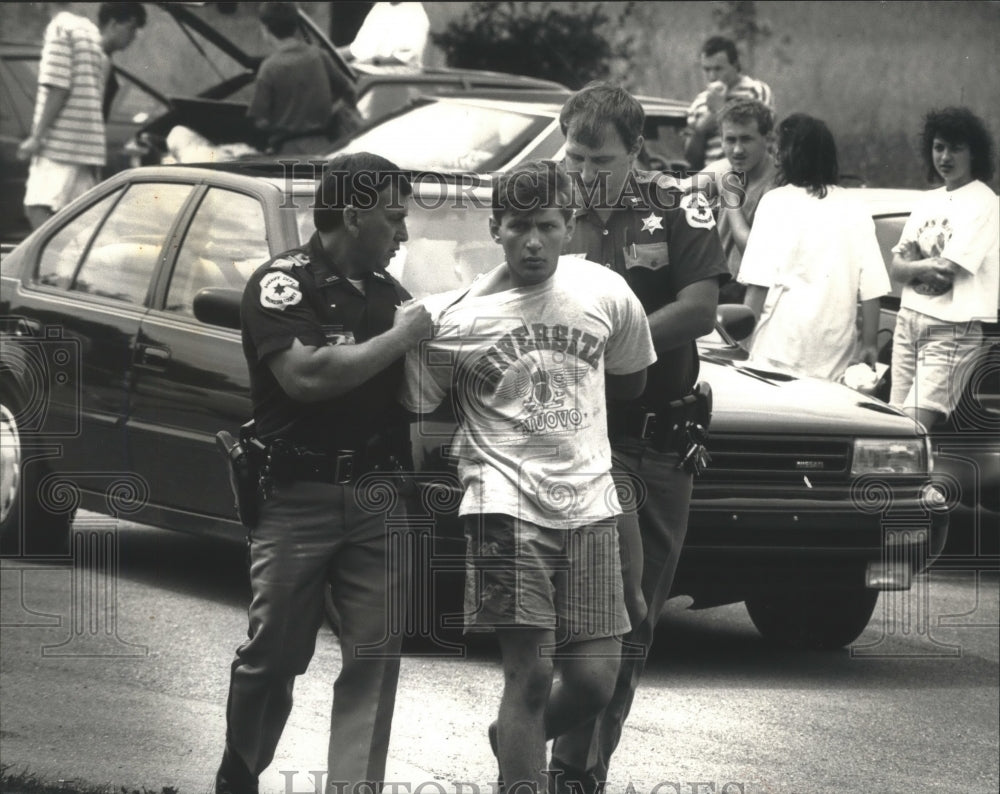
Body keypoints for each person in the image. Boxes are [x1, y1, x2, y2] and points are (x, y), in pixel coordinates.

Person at [400, 160, 656, 793]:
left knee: (596, 679)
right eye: (519, 227)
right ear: (496, 228)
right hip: (502, 506)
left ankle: (514, 737)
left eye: (547, 225)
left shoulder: (604, 292)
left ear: (569, 227)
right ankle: (521, 771)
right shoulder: (453, 319)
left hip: (592, 508)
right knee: (531, 676)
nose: (533, 242)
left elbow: (632, 377)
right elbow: (421, 413)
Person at [215, 152, 433, 794]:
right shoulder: (284, 284)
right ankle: (239, 775)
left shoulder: (394, 298)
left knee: (375, 654)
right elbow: (305, 377)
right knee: (274, 653)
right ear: (356, 212)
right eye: (394, 217)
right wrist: (400, 340)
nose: (403, 233)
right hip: (297, 496)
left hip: (379, 495)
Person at [550, 83, 729, 792]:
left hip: (648, 441)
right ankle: (552, 761)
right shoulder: (550, 207)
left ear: (636, 153)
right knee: (559, 609)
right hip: (566, 436)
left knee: (628, 619)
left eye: (599, 159)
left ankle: (577, 771)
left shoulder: (676, 203)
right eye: (573, 155)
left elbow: (701, 307)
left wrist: (616, 347)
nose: (584, 172)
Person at [738, 113, 891, 382]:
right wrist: (869, 344)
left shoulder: (776, 202)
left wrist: (739, 345)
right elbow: (872, 289)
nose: (775, 155)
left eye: (779, 148)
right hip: (834, 352)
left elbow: (757, 285)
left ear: (793, 154)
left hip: (777, 347)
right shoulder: (856, 207)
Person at [889, 107, 999, 431]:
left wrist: (913, 264)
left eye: (956, 148)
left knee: (911, 426)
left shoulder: (985, 202)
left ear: (973, 153)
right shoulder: (928, 201)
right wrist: (916, 266)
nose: (945, 157)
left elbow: (945, 271)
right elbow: (896, 268)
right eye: (939, 147)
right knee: (891, 423)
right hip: (907, 319)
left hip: (951, 328)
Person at [18, 2, 146, 229]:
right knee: (77, 221)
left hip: (60, 146)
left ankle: (52, 264)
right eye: (132, 28)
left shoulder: (61, 30)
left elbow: (58, 87)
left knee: (37, 209)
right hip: (86, 149)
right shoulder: (90, 39)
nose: (133, 37)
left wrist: (37, 137)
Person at [691, 98, 778, 303]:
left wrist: (730, 201)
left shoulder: (777, 186)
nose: (737, 150)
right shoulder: (727, 169)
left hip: (750, 297)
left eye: (746, 139)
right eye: (730, 140)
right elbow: (675, 193)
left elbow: (754, 253)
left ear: (768, 139)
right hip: (717, 290)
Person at [248, 2, 361, 155]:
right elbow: (349, 91)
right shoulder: (318, 56)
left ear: (265, 29)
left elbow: (261, 121)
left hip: (287, 152)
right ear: (295, 27)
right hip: (326, 148)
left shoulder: (269, 68)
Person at [684, 35, 773, 172]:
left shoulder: (756, 91)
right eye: (707, 70)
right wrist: (701, 129)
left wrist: (720, 110)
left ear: (735, 65)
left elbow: (763, 135)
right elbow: (691, 159)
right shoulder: (700, 102)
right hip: (713, 180)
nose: (712, 76)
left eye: (718, 69)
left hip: (750, 175)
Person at [339, 2, 430, 67]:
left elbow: (402, 58)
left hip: (394, 83)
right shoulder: (381, 6)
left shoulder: (416, 15)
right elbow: (358, 49)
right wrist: (331, 53)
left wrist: (362, 64)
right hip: (367, 74)